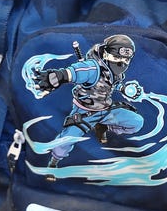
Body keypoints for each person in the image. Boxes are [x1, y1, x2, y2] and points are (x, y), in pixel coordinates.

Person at [33, 34, 144, 178]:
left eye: (126, 59)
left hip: (105, 110)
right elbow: (74, 72)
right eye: (117, 57)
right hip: (84, 113)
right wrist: (57, 76)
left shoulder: (113, 71)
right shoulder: (92, 67)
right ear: (106, 54)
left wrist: (124, 89)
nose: (121, 62)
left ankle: (103, 127)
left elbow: (111, 84)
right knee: (65, 142)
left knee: (136, 122)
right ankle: (52, 165)